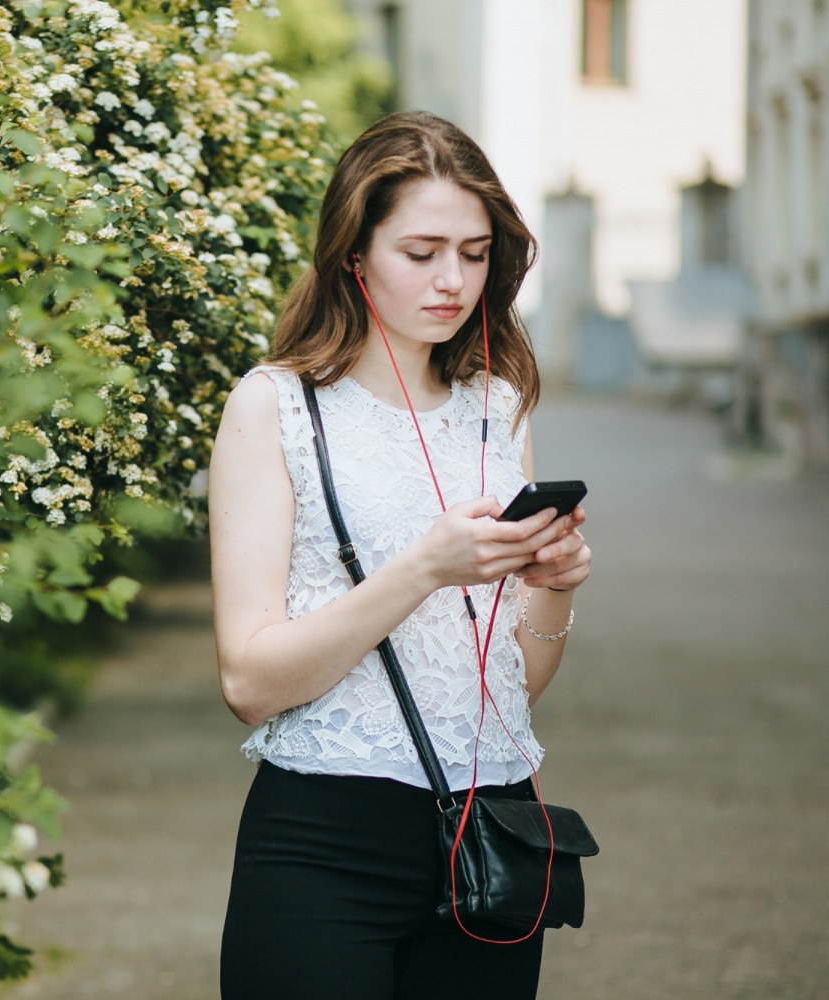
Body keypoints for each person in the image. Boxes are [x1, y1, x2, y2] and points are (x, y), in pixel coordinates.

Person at [210, 109, 593, 999]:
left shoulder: (497, 408)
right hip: (322, 842)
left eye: (475, 251)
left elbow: (508, 689)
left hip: (491, 831)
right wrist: (425, 567)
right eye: (420, 253)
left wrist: (555, 592)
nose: (453, 279)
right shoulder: (277, 409)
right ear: (356, 253)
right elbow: (249, 682)